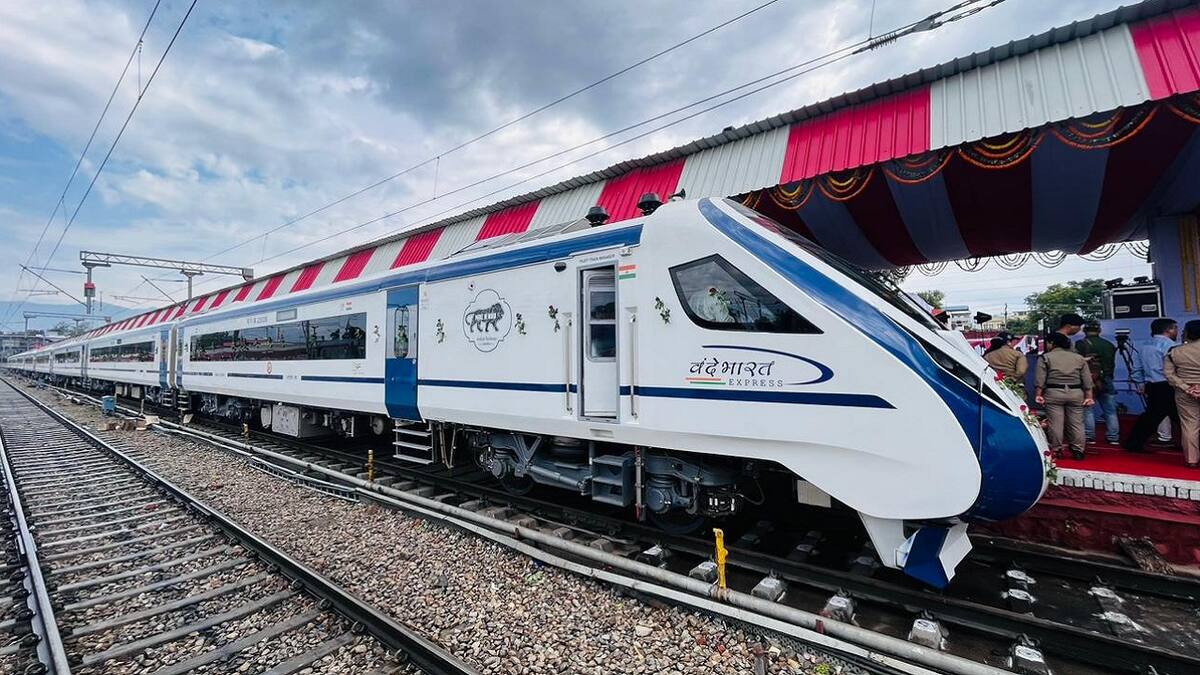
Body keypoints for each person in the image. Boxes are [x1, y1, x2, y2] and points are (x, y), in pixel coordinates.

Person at [1123, 318, 1180, 453]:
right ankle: (1134, 443)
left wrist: (1140, 383)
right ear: (1169, 330)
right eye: (1175, 328)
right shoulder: (1172, 346)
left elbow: (1136, 368)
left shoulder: (1144, 346)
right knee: (1179, 416)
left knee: (1152, 415)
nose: (1177, 331)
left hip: (1152, 385)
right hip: (1169, 384)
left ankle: (1134, 442)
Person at [1035, 332, 1094, 460]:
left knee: (1055, 423)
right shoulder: (1079, 358)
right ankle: (1078, 450)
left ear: (1052, 343)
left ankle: (1057, 450)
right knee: (1077, 423)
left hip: (1054, 392)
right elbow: (1087, 380)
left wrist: (1039, 394)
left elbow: (1040, 379)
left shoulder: (1045, 357)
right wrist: (1089, 396)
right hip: (1076, 392)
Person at [1076, 322, 1120, 444]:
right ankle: (1113, 437)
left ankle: (1089, 436)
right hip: (1107, 379)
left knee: (1088, 410)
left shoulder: (1080, 344)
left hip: (1088, 380)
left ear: (1084, 330)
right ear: (1099, 330)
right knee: (1110, 411)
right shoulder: (1109, 344)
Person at [1164, 320, 1200, 468]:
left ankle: (1192, 460)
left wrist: (1187, 387)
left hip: (1185, 393)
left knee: (1189, 425)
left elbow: (1169, 374)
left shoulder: (1175, 351)